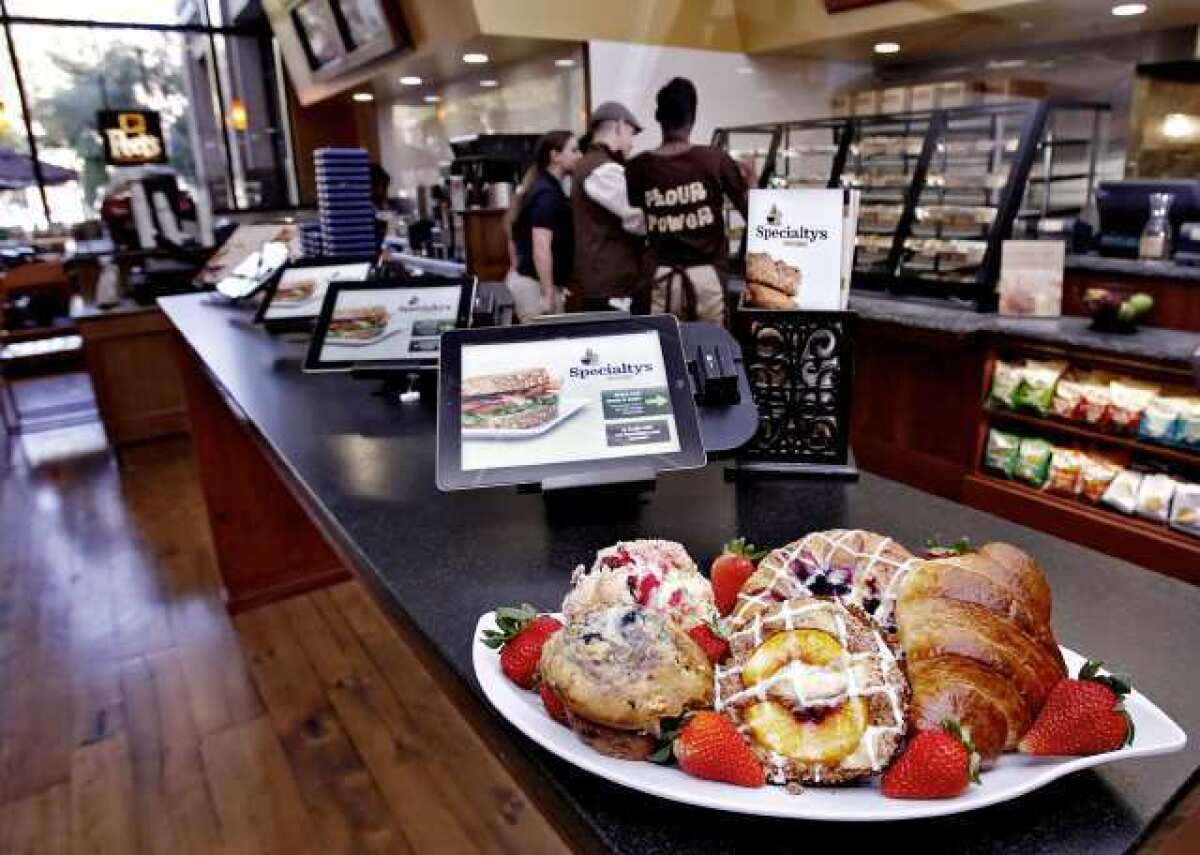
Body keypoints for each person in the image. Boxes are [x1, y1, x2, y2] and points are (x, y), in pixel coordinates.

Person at [625, 77, 749, 324]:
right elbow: (751, 213)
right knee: (712, 354)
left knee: (665, 355)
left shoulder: (638, 167)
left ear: (658, 117)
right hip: (708, 281)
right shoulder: (715, 160)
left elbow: (637, 206)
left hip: (659, 281)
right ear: (692, 117)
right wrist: (752, 184)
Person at [570, 102, 647, 313]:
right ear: (620, 126)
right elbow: (637, 218)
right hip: (613, 288)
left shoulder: (592, 165)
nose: (631, 144)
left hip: (603, 285)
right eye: (631, 134)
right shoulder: (603, 169)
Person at [505, 130, 581, 322]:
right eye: (573, 150)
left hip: (527, 282)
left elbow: (513, 235)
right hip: (535, 288)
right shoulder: (547, 194)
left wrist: (515, 267)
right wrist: (548, 293)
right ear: (555, 156)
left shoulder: (538, 187)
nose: (579, 156)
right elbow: (541, 244)